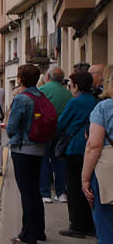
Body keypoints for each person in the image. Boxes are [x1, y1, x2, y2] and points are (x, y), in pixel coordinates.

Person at [7, 63, 47, 244]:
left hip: (23, 149)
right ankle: (39, 231)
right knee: (34, 191)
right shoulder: (41, 95)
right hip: (39, 148)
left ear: (20, 79)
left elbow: (11, 127)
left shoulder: (21, 99)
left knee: (26, 193)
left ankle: (27, 235)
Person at [55, 72, 98, 238]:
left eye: (70, 85)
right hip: (92, 149)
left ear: (77, 86)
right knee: (89, 188)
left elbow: (61, 124)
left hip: (74, 149)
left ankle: (77, 226)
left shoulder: (75, 102)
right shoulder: (95, 101)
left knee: (74, 189)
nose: (69, 87)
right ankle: (90, 225)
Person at [82, 65, 113, 243]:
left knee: (106, 223)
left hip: (107, 171)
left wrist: (85, 179)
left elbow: (93, 146)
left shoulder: (104, 108)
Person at [39, 66, 73, 202]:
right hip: (62, 132)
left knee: (44, 161)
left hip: (45, 131)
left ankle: (45, 193)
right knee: (59, 161)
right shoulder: (68, 94)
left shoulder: (42, 91)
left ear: (48, 77)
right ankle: (61, 193)